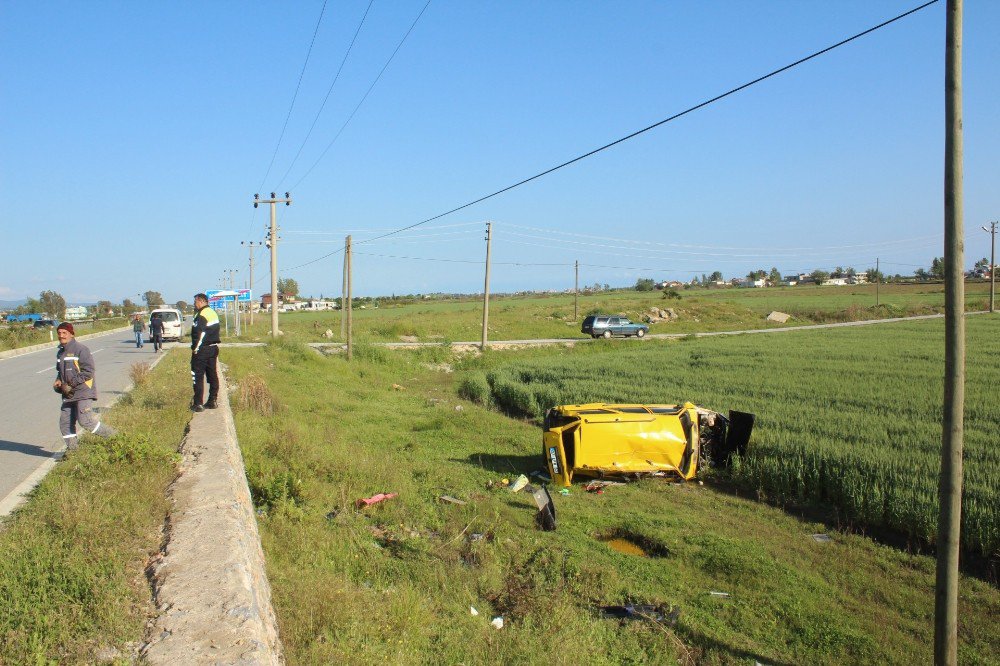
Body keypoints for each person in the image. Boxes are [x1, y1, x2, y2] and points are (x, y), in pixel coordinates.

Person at [54, 322, 117, 450]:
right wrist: (58, 381)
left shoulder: (81, 349)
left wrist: (71, 383)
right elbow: (60, 372)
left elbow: (88, 372)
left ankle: (116, 438)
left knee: (86, 421)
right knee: (65, 424)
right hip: (68, 394)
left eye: (64, 333)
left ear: (71, 334)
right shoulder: (60, 353)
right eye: (59, 333)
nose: (61, 335)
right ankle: (73, 452)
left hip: (83, 392)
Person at [190, 293, 220, 412]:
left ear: (201, 301)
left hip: (202, 349)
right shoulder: (212, 312)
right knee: (212, 375)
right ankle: (212, 401)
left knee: (197, 375)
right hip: (213, 348)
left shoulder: (201, 314)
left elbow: (199, 333)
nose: (194, 304)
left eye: (195, 302)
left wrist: (195, 348)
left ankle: (198, 404)